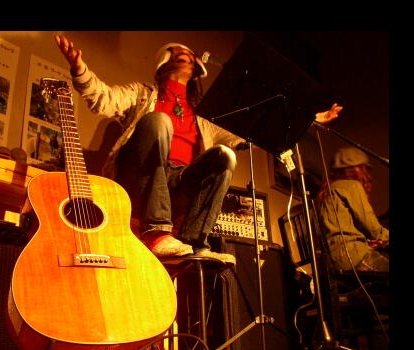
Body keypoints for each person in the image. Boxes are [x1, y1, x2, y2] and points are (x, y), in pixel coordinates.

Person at [55, 35, 342, 264]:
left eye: (189, 54)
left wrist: (307, 119)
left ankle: (195, 242)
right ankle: (156, 233)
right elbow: (103, 98)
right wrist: (79, 68)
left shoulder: (204, 117)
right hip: (140, 178)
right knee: (159, 121)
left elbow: (249, 131)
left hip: (178, 184)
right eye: (177, 53)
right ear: (164, 63)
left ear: (196, 70)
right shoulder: (143, 94)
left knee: (225, 156)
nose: (185, 54)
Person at [317, 146, 389, 272]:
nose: (367, 174)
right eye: (364, 168)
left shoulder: (327, 190)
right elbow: (373, 228)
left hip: (333, 262)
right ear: (356, 168)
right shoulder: (351, 186)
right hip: (353, 258)